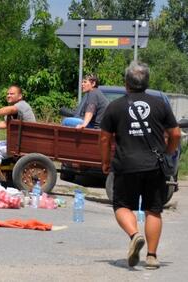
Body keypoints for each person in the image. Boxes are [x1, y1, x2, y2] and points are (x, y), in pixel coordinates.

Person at [100, 61, 181, 269]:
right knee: (154, 210)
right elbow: (175, 133)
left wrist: (106, 162)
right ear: (146, 82)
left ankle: (135, 235)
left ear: (126, 82)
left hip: (126, 165)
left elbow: (104, 139)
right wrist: (168, 152)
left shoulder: (115, 106)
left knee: (121, 206)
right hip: (154, 165)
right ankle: (152, 256)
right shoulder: (160, 104)